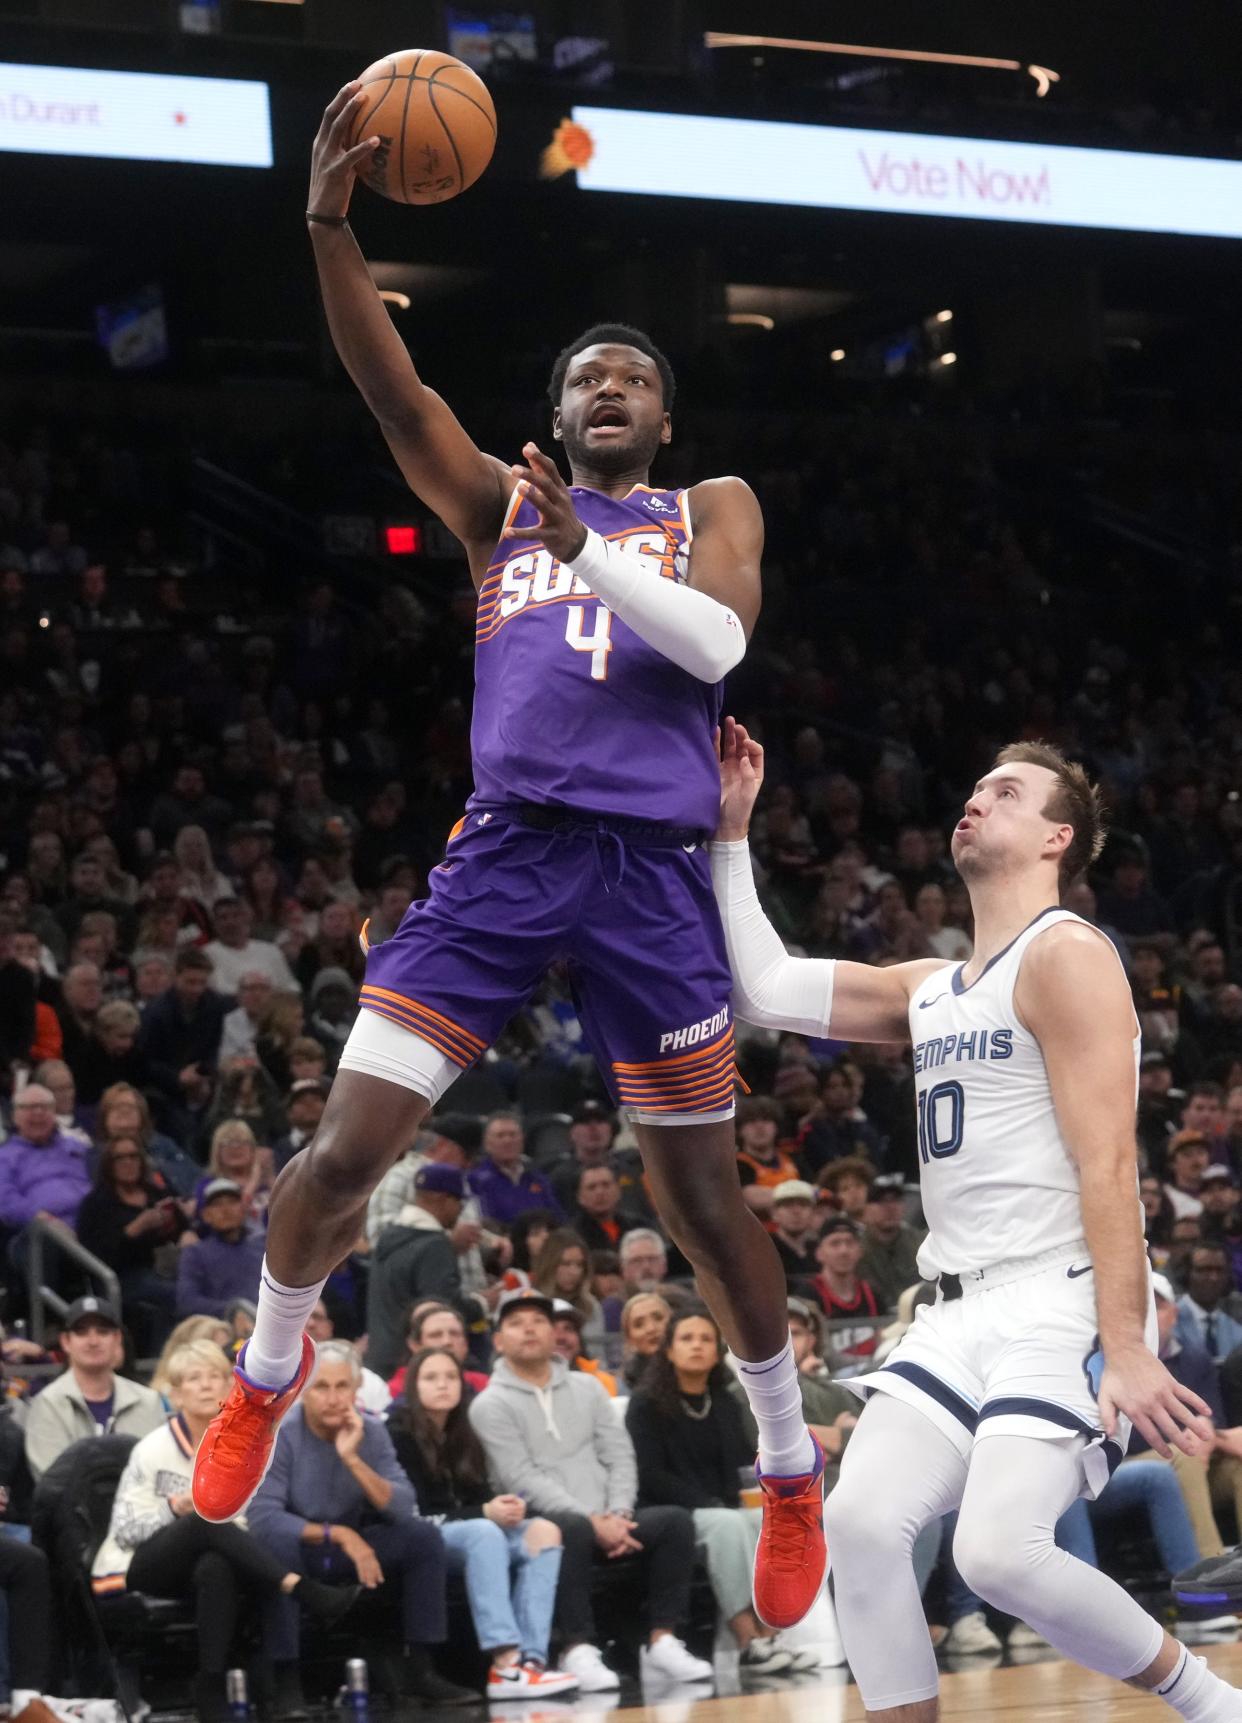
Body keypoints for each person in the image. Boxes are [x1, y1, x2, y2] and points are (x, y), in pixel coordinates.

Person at [192, 87, 823, 1641]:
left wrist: (583, 535)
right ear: (558, 410)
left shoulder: (706, 509)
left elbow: (724, 641)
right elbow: (394, 391)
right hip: (509, 853)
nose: (606, 386)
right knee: (342, 1152)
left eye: (630, 376)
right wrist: (330, 226)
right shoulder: (496, 511)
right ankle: (265, 1374)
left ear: (661, 418)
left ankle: (791, 1462)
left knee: (701, 1199)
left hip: (657, 872)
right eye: (582, 376)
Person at [712, 722, 1227, 1718]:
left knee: (996, 1549)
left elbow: (1109, 1159)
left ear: (1056, 840)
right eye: (978, 787)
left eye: (1008, 792)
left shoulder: (1065, 951)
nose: (977, 799)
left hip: (1060, 1294)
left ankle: (1210, 1701)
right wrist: (733, 832)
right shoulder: (929, 985)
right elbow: (762, 987)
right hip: (953, 1310)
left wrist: (1125, 1342)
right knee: (857, 1521)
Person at [91, 1340, 359, 1723]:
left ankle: (211, 1685)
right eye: (193, 1378)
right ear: (176, 1393)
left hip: (216, 1559)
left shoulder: (245, 1447)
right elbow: (124, 1530)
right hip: (137, 1564)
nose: (204, 1385)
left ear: (230, 1389)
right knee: (204, 1517)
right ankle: (301, 1589)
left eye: (215, 1376)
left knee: (215, 1564)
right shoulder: (152, 1449)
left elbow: (256, 1520)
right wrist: (173, 1508)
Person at [470, 1291, 712, 1691]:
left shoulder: (588, 1387)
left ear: (555, 1333)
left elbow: (619, 1455)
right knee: (569, 1526)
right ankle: (576, 1648)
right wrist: (592, 1520)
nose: (529, 1328)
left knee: (674, 1521)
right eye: (516, 1323)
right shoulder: (489, 1404)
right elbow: (520, 1478)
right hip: (541, 1521)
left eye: (539, 1320)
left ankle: (662, 1642)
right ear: (497, 1341)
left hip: (611, 1517)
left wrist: (619, 1514)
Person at [246, 1341, 476, 1709]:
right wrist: (340, 1534)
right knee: (277, 1548)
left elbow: (404, 1507)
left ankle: (421, 1670)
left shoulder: (371, 1431)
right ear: (303, 1392)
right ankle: (286, 1682)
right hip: (298, 1547)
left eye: (343, 1387)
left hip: (348, 1552)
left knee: (422, 1537)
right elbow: (263, 1519)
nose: (334, 1398)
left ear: (356, 1390)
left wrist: (352, 1458)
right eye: (322, 1387)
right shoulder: (279, 1434)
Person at [626, 1308, 811, 1673]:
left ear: (717, 1351)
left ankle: (772, 1636)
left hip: (723, 1506)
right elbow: (649, 1474)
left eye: (706, 1339)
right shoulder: (645, 1404)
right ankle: (747, 1639)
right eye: (686, 1339)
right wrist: (710, 1502)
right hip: (671, 1510)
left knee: (767, 1520)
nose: (697, 1346)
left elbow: (742, 1465)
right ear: (668, 1350)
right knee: (728, 1525)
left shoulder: (724, 1402)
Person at [387, 1346, 578, 1698]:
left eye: (450, 1377)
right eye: (431, 1378)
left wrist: (505, 1507)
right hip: (424, 1537)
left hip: (473, 1529)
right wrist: (485, 1514)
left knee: (544, 1530)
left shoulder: (465, 1433)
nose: (443, 1385)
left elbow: (479, 1498)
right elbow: (414, 1516)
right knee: (483, 1532)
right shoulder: (397, 1434)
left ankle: (531, 1661)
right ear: (413, 1386)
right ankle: (504, 1662)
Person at [24, 1296, 164, 1480]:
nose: (93, 1341)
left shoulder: (149, 1401)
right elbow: (52, 1482)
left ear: (117, 1339)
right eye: (81, 1332)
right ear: (66, 1342)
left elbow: (160, 1471)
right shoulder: (47, 1404)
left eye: (103, 1331)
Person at [74, 1135, 186, 1351]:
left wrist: (180, 1224)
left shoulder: (156, 1193)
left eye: (134, 1156)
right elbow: (95, 1256)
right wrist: (134, 1229)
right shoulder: (96, 1203)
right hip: (122, 1277)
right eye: (120, 1157)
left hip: (166, 1268)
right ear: (109, 1163)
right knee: (174, 1295)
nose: (128, 1162)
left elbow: (182, 1224)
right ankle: (163, 1362)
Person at [365, 1164, 464, 1378]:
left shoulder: (389, 1236)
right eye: (459, 1203)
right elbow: (439, 1311)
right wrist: (480, 1305)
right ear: (444, 1199)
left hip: (378, 1361)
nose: (459, 1211)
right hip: (414, 1369)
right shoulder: (435, 1246)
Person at [0, 1083, 92, 1239]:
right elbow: (6, 1201)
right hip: (41, 1233)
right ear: (15, 1116)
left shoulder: (77, 1146)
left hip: (92, 1221)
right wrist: (43, 1219)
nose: (38, 1112)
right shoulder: (5, 1156)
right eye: (29, 1107)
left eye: (45, 1107)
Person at [800, 1217, 882, 1375]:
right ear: (819, 1253)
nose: (844, 1251)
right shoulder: (807, 1295)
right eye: (835, 1243)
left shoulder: (872, 1293)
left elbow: (883, 1339)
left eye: (850, 1243)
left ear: (860, 1251)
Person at [176, 1179, 266, 1320]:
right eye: (217, 1204)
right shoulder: (195, 1254)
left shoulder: (264, 1246)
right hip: (221, 1330)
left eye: (232, 1202)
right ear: (206, 1215)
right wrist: (233, 1310)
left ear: (243, 1210)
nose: (226, 1209)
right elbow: (187, 1301)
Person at [469, 1113, 563, 1229]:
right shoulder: (477, 1181)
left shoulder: (538, 1179)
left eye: (513, 1135)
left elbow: (558, 1219)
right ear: (487, 1144)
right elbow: (486, 1224)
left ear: (522, 1140)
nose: (508, 1140)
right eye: (500, 1136)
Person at [384, 1300, 489, 1402]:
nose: (447, 1342)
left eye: (454, 1333)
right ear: (415, 1345)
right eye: (436, 1335)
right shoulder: (394, 1391)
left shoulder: (486, 1386)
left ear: (465, 1344)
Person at [855, 1173, 925, 1314]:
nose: (890, 1207)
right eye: (881, 1201)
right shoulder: (856, 1249)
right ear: (866, 1209)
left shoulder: (921, 1243)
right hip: (876, 1319)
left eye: (895, 1200)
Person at [530, 1227, 604, 1350]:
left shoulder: (590, 1306)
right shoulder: (531, 1302)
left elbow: (597, 1354)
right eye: (566, 1264)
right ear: (549, 1265)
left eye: (579, 1265)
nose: (574, 1272)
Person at [1174, 1244, 1242, 1363]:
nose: (1213, 1278)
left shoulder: (1236, 1330)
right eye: (1204, 1269)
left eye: (1220, 1270)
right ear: (1187, 1273)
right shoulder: (1167, 1323)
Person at [551, 1299, 619, 1397]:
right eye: (552, 1329)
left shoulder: (603, 1382)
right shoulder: (525, 1385)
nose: (561, 1337)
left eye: (569, 1328)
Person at [768, 1179, 823, 1280]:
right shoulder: (765, 1248)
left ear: (813, 1212)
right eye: (788, 1205)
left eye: (803, 1205)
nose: (796, 1211)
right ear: (774, 1213)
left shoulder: (821, 1251)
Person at [620, 1291, 673, 1391]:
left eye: (658, 1318)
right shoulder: (624, 1385)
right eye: (639, 1324)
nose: (651, 1329)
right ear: (629, 1338)